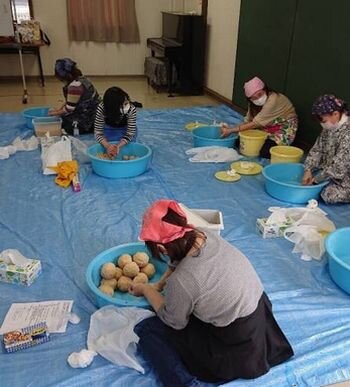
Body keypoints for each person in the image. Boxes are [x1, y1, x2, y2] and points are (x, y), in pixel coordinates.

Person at [131, 199, 294, 386]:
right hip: (259, 319)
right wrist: (159, 285)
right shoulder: (203, 235)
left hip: (232, 348)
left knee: (148, 330)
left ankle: (183, 382)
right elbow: (177, 261)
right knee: (191, 301)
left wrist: (146, 290)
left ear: (160, 248)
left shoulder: (183, 281)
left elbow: (173, 321)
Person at [221, 76, 298, 158]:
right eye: (254, 98)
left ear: (265, 89)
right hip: (265, 126)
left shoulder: (274, 100)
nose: (258, 99)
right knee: (239, 142)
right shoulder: (253, 103)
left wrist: (231, 130)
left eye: (260, 94)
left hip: (283, 127)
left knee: (265, 152)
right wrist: (232, 128)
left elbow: (255, 123)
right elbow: (248, 120)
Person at [302, 94, 350, 204]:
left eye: (323, 120)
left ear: (336, 114)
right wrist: (308, 170)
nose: (322, 124)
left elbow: (340, 167)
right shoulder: (330, 127)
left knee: (328, 195)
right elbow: (317, 149)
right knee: (308, 173)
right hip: (330, 173)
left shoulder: (347, 133)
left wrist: (316, 181)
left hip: (345, 178)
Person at [49, 58, 100, 134]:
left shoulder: (75, 86)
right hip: (93, 113)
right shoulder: (81, 78)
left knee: (65, 128)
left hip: (91, 119)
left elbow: (69, 109)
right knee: (61, 119)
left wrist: (53, 113)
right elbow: (70, 102)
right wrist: (58, 111)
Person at [94, 87, 138, 157]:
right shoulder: (102, 108)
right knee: (105, 149)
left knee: (128, 149)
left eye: (126, 103)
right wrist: (107, 146)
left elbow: (130, 133)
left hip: (125, 128)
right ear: (112, 107)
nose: (126, 106)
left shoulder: (131, 109)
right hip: (109, 129)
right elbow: (98, 133)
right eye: (122, 105)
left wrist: (118, 146)